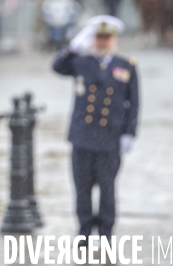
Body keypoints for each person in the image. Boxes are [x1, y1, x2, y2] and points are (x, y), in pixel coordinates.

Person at [52, 15, 139, 243]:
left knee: (107, 189)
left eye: (107, 38)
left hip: (110, 136)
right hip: (82, 135)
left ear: (115, 39)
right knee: (82, 188)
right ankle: (84, 229)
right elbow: (57, 67)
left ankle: (105, 232)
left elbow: (134, 103)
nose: (102, 42)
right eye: (98, 38)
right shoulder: (82, 62)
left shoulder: (125, 66)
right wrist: (72, 47)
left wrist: (129, 133)